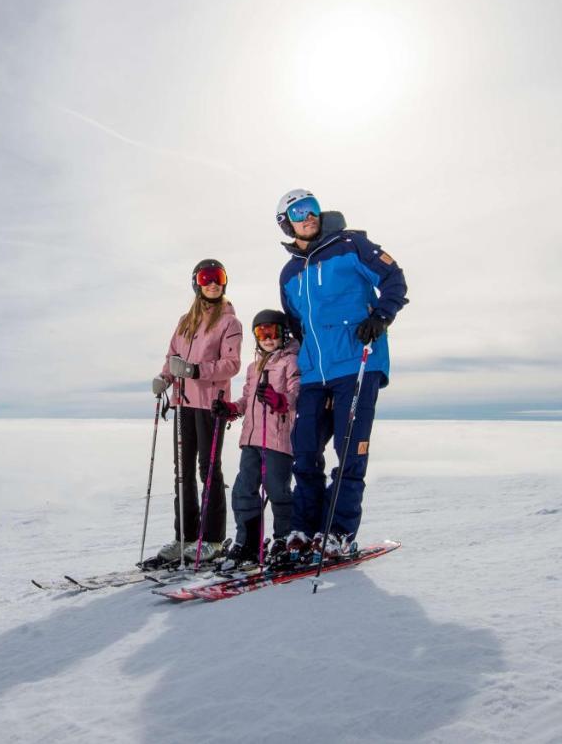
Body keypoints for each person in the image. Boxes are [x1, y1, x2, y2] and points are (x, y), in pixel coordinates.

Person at [274, 189, 409, 560]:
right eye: (299, 212)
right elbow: (298, 324)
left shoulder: (352, 245)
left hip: (357, 362)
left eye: (312, 208)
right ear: (286, 223)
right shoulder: (288, 274)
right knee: (304, 451)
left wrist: (381, 316)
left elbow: (394, 278)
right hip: (315, 373)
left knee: (349, 450)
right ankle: (304, 529)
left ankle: (339, 532)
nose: (308, 216)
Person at [149, 259, 242, 564]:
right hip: (183, 403)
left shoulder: (229, 323)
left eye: (218, 278)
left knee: (209, 470)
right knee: (183, 472)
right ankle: (186, 537)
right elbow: (172, 357)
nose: (213, 283)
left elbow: (231, 365)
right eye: (206, 278)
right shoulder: (185, 321)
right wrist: (165, 378)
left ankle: (212, 540)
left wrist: (194, 369)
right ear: (196, 283)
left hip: (210, 404)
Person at [212, 309, 301, 569]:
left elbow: (296, 395)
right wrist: (231, 409)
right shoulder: (254, 367)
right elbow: (246, 399)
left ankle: (285, 540)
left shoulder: (291, 362)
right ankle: (248, 542)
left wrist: (280, 400)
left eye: (272, 332)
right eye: (261, 332)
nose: (267, 337)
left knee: (277, 490)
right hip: (251, 439)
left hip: (277, 439)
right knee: (243, 490)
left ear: (284, 334)